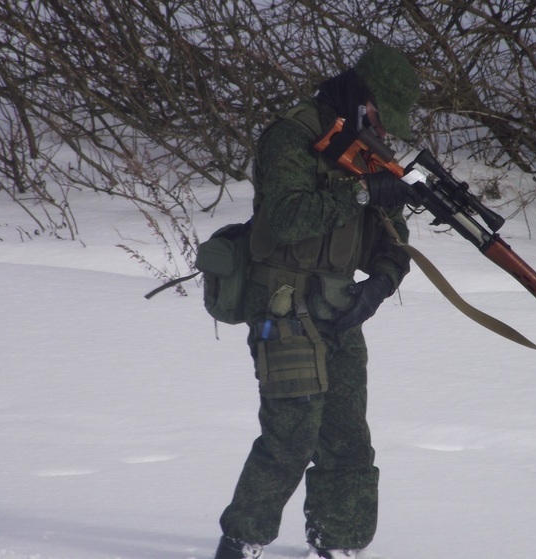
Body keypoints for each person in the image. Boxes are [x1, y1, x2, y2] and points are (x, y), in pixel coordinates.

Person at [213, 44, 421, 559]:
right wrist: (361, 193)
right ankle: (242, 541)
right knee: (291, 435)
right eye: (377, 111)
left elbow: (396, 239)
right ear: (357, 95)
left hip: (338, 302)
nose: (382, 125)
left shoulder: (371, 150)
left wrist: (378, 286)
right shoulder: (293, 136)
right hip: (281, 303)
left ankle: (341, 542)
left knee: (347, 435)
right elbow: (285, 218)